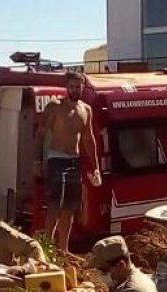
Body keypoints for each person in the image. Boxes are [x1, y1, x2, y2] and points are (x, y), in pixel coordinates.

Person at [34, 70, 101, 253]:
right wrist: (37, 161)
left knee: (70, 208)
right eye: (71, 86)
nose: (74, 89)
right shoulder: (55, 106)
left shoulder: (86, 109)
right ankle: (46, 249)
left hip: (74, 161)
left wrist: (96, 168)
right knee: (55, 206)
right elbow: (40, 135)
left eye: (78, 86)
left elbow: (88, 139)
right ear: (67, 87)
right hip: (56, 160)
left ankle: (63, 250)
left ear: (83, 87)